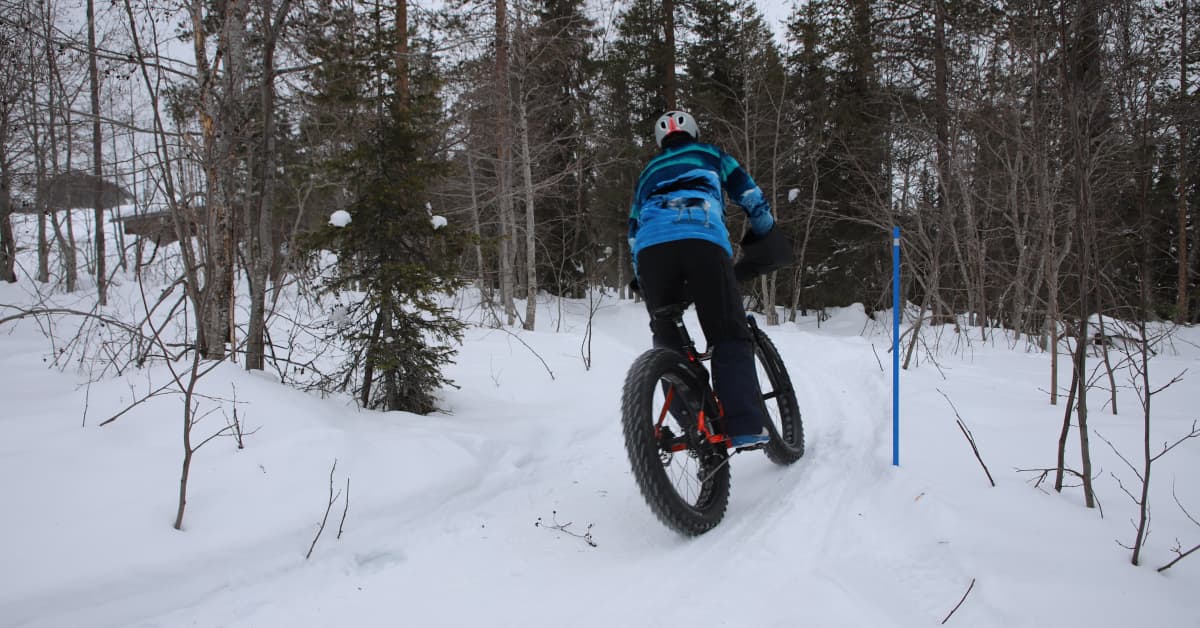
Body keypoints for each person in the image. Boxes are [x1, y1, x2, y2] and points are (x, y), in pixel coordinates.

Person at [627, 110, 784, 449]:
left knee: (667, 338)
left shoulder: (647, 173)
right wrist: (767, 233)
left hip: (652, 252)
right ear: (693, 133)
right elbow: (750, 196)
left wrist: (642, 276)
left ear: (660, 142)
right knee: (727, 330)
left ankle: (694, 428)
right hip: (702, 241)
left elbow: (632, 231)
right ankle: (743, 425)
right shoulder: (711, 155)